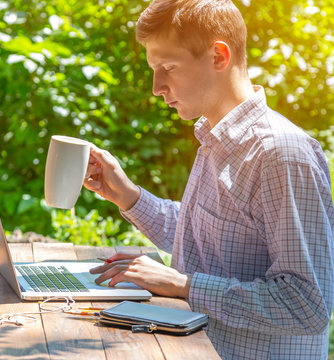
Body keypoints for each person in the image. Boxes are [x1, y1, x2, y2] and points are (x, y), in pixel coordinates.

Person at [84, 0, 334, 359]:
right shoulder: (215, 139)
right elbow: (206, 246)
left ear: (219, 56)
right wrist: (128, 197)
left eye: (167, 67)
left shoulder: (282, 155)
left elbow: (307, 305)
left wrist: (184, 285)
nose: (156, 87)